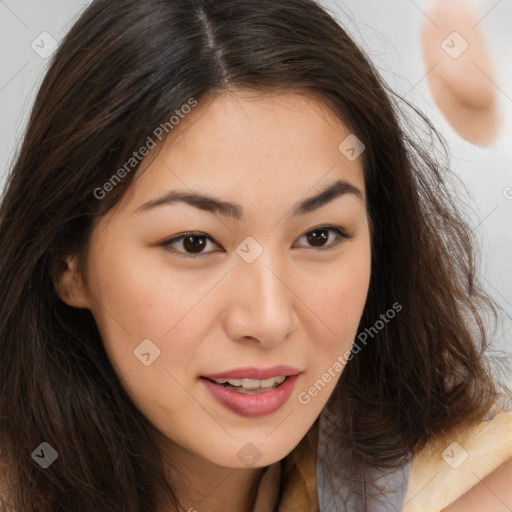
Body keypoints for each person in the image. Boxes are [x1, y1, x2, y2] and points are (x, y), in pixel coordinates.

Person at [0, 1, 511, 511]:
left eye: (319, 236)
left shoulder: (469, 485)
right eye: (194, 243)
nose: (268, 319)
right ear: (68, 263)